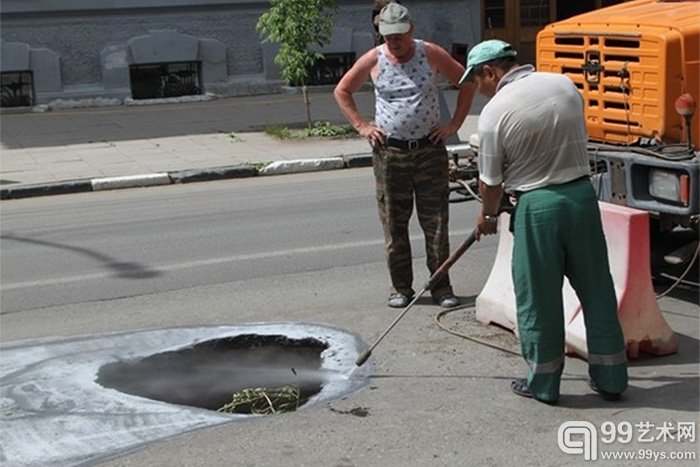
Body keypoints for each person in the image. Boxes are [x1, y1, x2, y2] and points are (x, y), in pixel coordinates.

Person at [462, 39, 628, 404]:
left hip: (538, 208)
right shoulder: (564, 85)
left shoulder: (494, 112)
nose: (477, 90)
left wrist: (488, 216)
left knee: (539, 299)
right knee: (597, 291)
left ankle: (544, 384)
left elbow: (490, 182)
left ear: (490, 72)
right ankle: (612, 378)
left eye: (476, 81)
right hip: (582, 200)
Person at [334, 3, 476, 309]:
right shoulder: (374, 59)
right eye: (388, 36)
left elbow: (467, 82)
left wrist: (454, 125)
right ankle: (400, 288)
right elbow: (342, 91)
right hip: (390, 153)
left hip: (428, 151)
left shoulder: (431, 53)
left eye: (399, 34)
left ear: (411, 30)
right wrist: (362, 126)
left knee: (435, 223)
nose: (394, 41)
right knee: (394, 225)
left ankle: (441, 287)